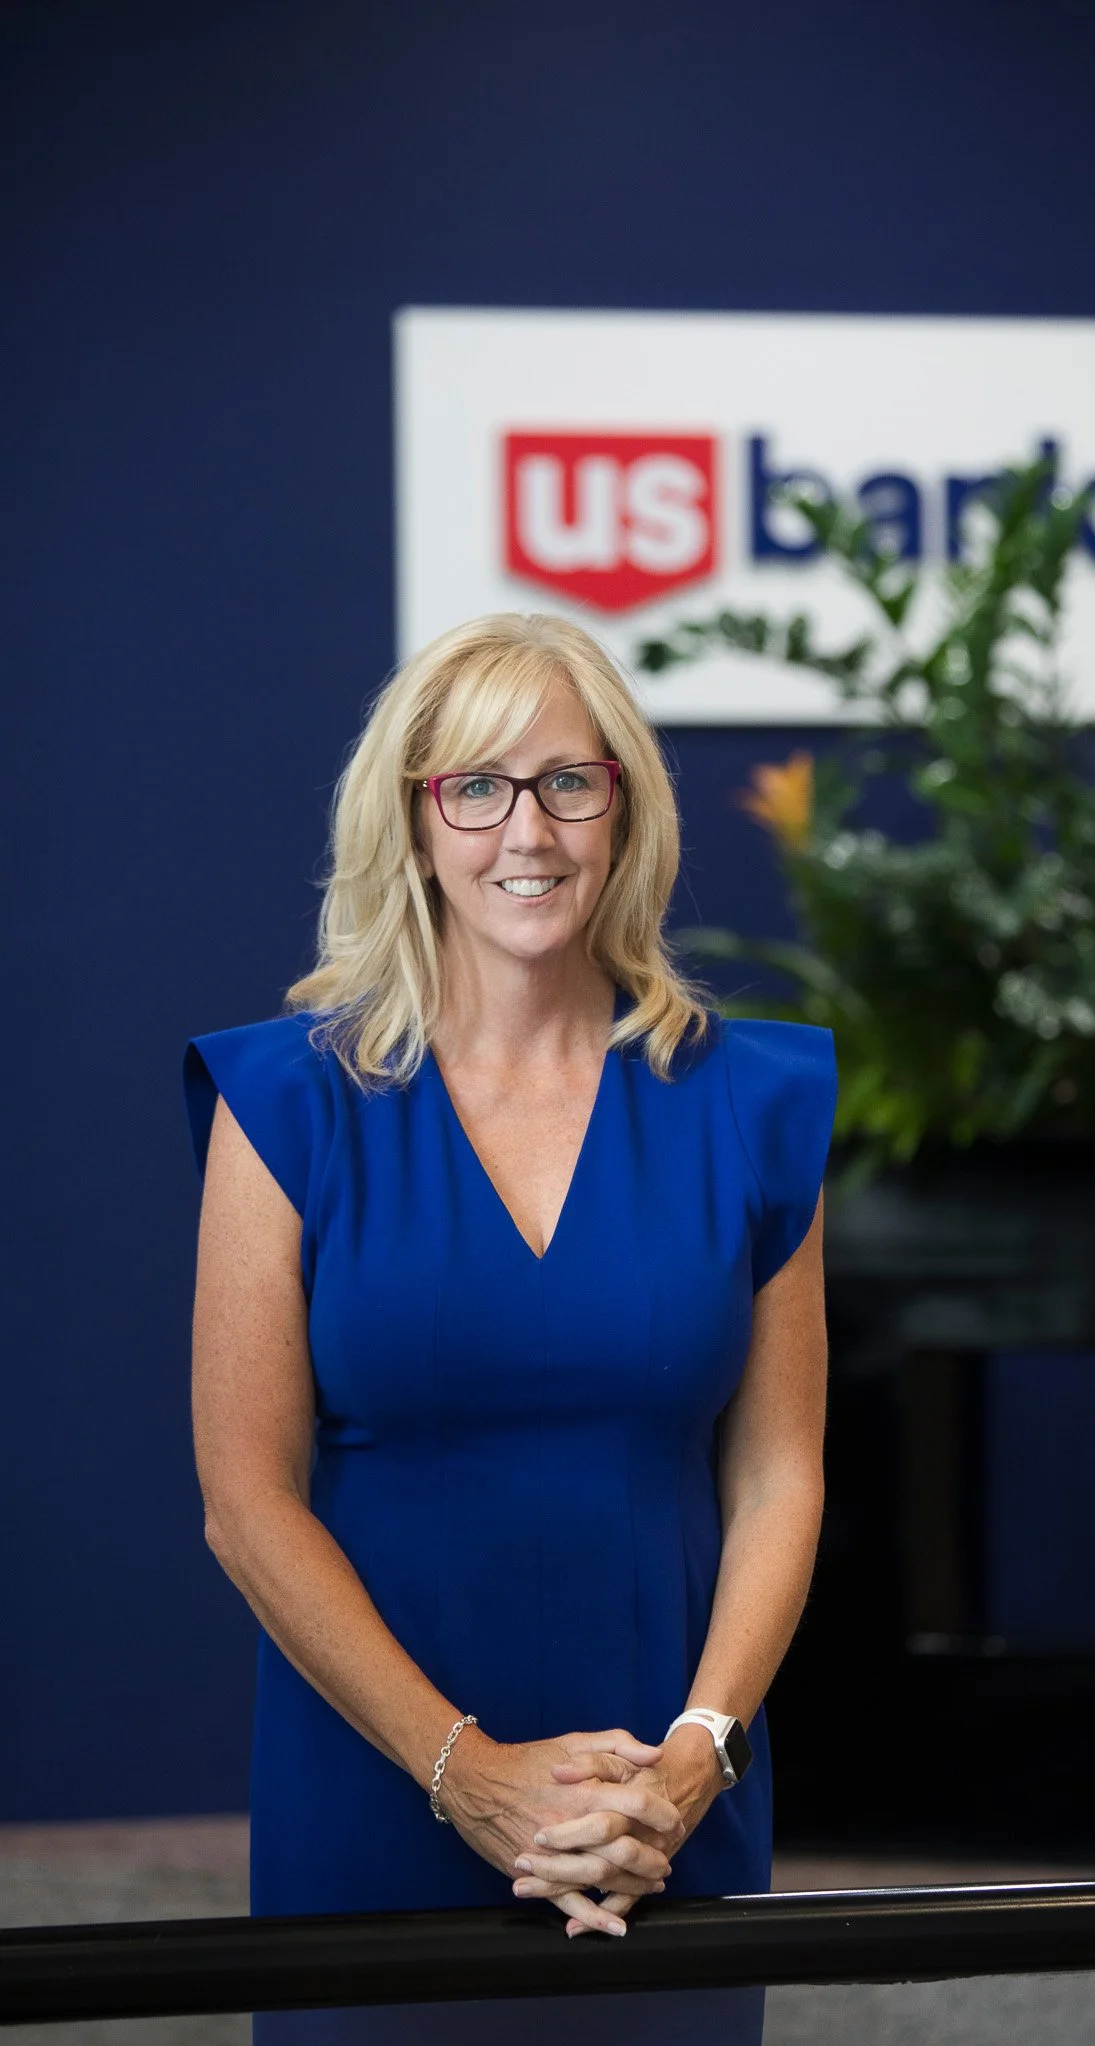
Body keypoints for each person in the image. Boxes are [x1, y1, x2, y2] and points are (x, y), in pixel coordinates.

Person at [185, 614, 834, 1974]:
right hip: (378, 1784)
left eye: (566, 782)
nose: (525, 831)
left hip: (662, 1807)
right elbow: (248, 1503)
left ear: (623, 807)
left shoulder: (755, 1103)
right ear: (416, 824)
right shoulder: (292, 1103)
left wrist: (694, 1765)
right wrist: (466, 1773)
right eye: (475, 788)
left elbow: (780, 1477)